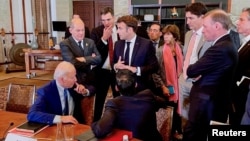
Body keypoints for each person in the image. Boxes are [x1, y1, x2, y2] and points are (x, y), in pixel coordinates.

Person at [182, 9, 238, 141]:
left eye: (205, 26)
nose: (203, 31)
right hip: (210, 103)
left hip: (206, 106)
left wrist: (196, 70)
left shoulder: (220, 48)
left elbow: (191, 70)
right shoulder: (225, 44)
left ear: (217, 26)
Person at [91, 69, 164, 141]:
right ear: (136, 85)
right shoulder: (148, 94)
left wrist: (94, 124)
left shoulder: (114, 104)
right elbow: (162, 102)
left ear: (116, 88)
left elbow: (99, 131)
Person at [27, 61, 95, 125]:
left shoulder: (73, 85)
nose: (75, 79)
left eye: (75, 76)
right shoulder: (46, 91)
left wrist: (85, 91)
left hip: (76, 125)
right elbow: (32, 114)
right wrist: (61, 118)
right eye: (72, 77)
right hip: (55, 129)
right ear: (62, 79)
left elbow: (92, 88)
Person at [178, 2, 211, 123]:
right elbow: (187, 56)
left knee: (197, 117)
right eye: (187, 18)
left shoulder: (209, 35)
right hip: (184, 80)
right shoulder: (187, 34)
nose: (187, 22)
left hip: (198, 81)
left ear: (203, 17)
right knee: (184, 117)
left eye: (191, 18)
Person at [152, 24, 184, 140]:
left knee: (177, 110)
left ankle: (177, 131)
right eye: (164, 34)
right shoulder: (160, 51)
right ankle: (167, 134)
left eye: (168, 34)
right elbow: (155, 73)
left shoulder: (180, 48)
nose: (165, 37)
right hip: (166, 87)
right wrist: (162, 86)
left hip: (179, 86)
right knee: (168, 111)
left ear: (175, 36)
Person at [113, 15, 159, 93]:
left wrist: (137, 70)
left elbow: (154, 66)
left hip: (140, 89)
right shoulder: (117, 44)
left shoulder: (146, 44)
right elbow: (113, 63)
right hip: (121, 90)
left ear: (130, 30)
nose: (117, 31)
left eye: (120, 28)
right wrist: (115, 66)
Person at [90, 7, 119, 121]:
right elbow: (94, 52)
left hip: (118, 70)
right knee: (100, 99)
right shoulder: (96, 31)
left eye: (108, 19)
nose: (106, 23)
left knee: (118, 99)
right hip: (102, 70)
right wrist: (103, 39)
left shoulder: (120, 30)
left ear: (114, 18)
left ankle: (118, 122)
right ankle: (96, 123)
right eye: (103, 20)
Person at [60, 18, 101, 85]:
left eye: (83, 30)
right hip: (75, 81)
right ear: (71, 30)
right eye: (78, 30)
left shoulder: (90, 42)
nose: (81, 33)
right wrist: (91, 61)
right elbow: (72, 63)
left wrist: (84, 59)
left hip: (91, 80)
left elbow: (99, 59)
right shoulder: (65, 44)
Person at [231, 7, 250, 125]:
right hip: (237, 101)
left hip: (244, 101)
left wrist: (237, 84)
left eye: (241, 20)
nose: (237, 22)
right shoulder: (245, 42)